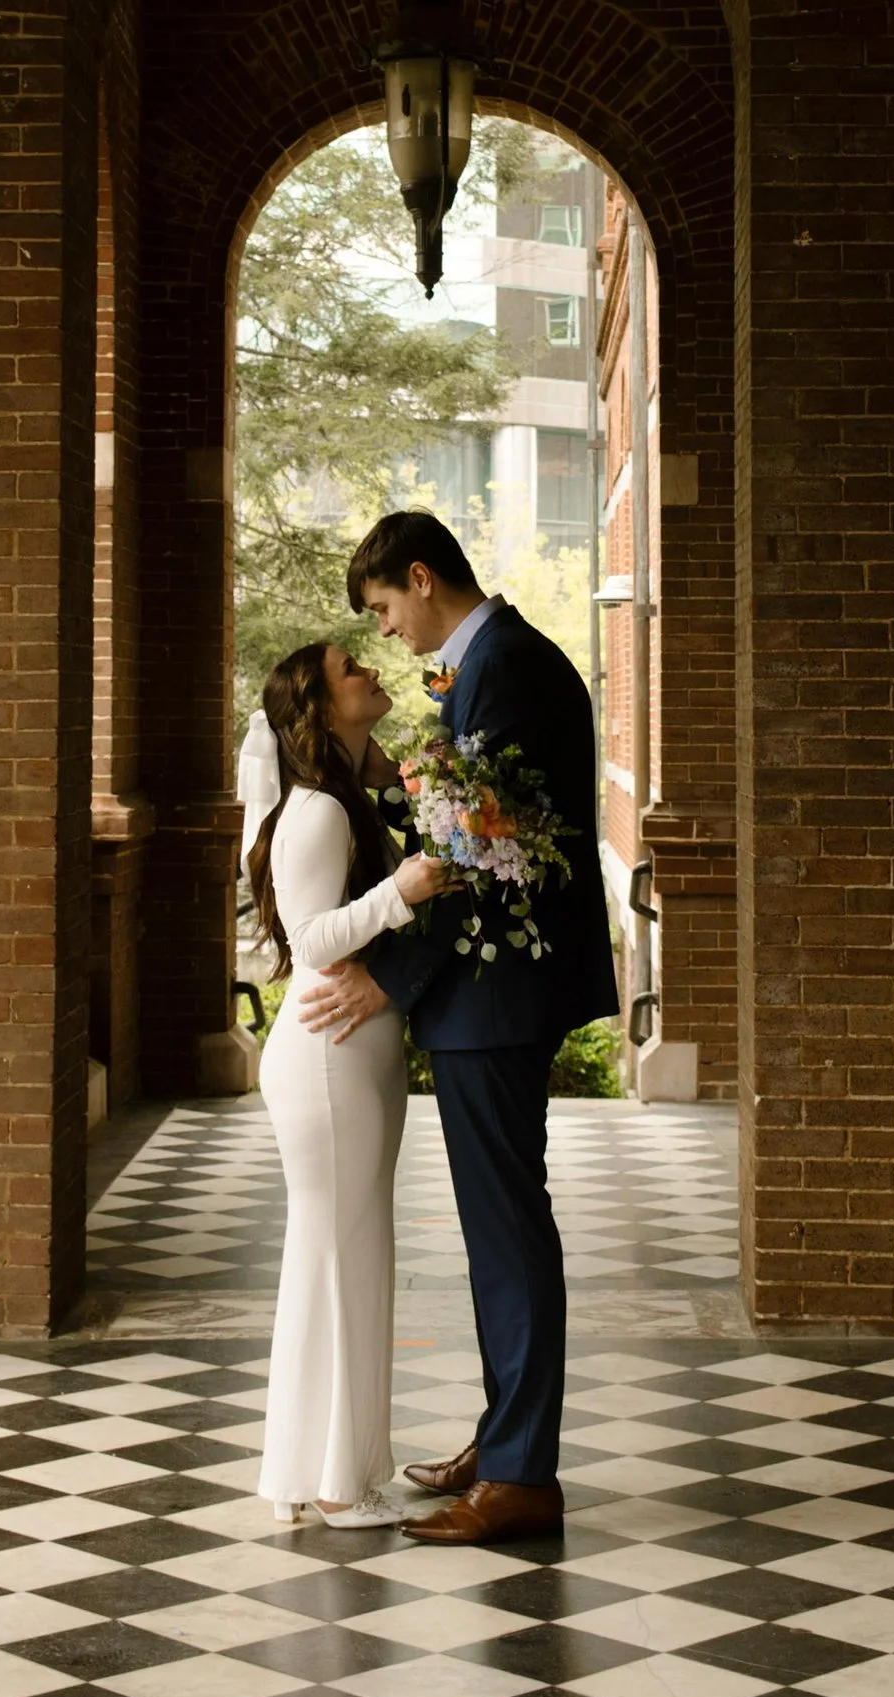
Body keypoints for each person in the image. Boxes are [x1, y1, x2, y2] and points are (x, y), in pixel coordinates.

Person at [299, 512, 617, 1545]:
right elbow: (464, 831)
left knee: (507, 1230)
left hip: (498, 994)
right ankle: (503, 1436)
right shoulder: (489, 667)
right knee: (494, 1232)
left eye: (385, 608)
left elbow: (479, 857)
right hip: (485, 994)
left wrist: (387, 975)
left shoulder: (510, 668)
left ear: (422, 578)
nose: (387, 632)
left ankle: (523, 1474)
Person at [244, 638, 451, 1529]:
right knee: (341, 1260)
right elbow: (314, 938)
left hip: (352, 1052)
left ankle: (321, 1469)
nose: (370, 670)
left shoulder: (347, 799)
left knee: (345, 1259)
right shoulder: (319, 812)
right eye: (349, 669)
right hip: (327, 1056)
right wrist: (404, 890)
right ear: (322, 711)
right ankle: (334, 1482)